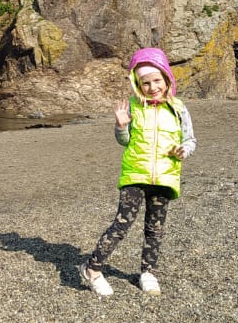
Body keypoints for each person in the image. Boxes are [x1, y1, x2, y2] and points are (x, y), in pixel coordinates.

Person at [78, 47, 196, 297]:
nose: (152, 87)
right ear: (137, 84)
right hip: (134, 176)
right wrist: (121, 126)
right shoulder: (132, 106)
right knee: (122, 225)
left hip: (164, 177)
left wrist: (183, 151)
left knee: (155, 228)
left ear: (166, 78)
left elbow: (190, 140)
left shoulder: (178, 108)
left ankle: (148, 272)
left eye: (157, 80)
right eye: (145, 83)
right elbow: (124, 140)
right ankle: (92, 269)